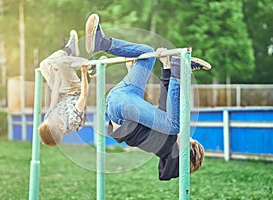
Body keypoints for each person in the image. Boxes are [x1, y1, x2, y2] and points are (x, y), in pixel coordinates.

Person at [85, 13, 211, 179]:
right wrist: (165, 66)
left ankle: (179, 69)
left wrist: (176, 71)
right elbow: (165, 103)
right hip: (123, 95)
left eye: (190, 139)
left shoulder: (168, 148)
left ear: (185, 149)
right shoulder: (165, 135)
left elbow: (168, 172)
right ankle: (102, 43)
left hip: (120, 110)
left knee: (175, 125)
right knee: (146, 53)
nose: (188, 134)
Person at [38, 30, 94, 146]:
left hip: (62, 92)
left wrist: (57, 74)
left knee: (44, 65)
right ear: (61, 126)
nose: (49, 116)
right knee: (62, 62)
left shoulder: (49, 119)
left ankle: (69, 50)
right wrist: (84, 73)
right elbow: (83, 96)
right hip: (75, 91)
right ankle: (91, 66)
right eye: (51, 118)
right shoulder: (73, 120)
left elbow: (54, 96)